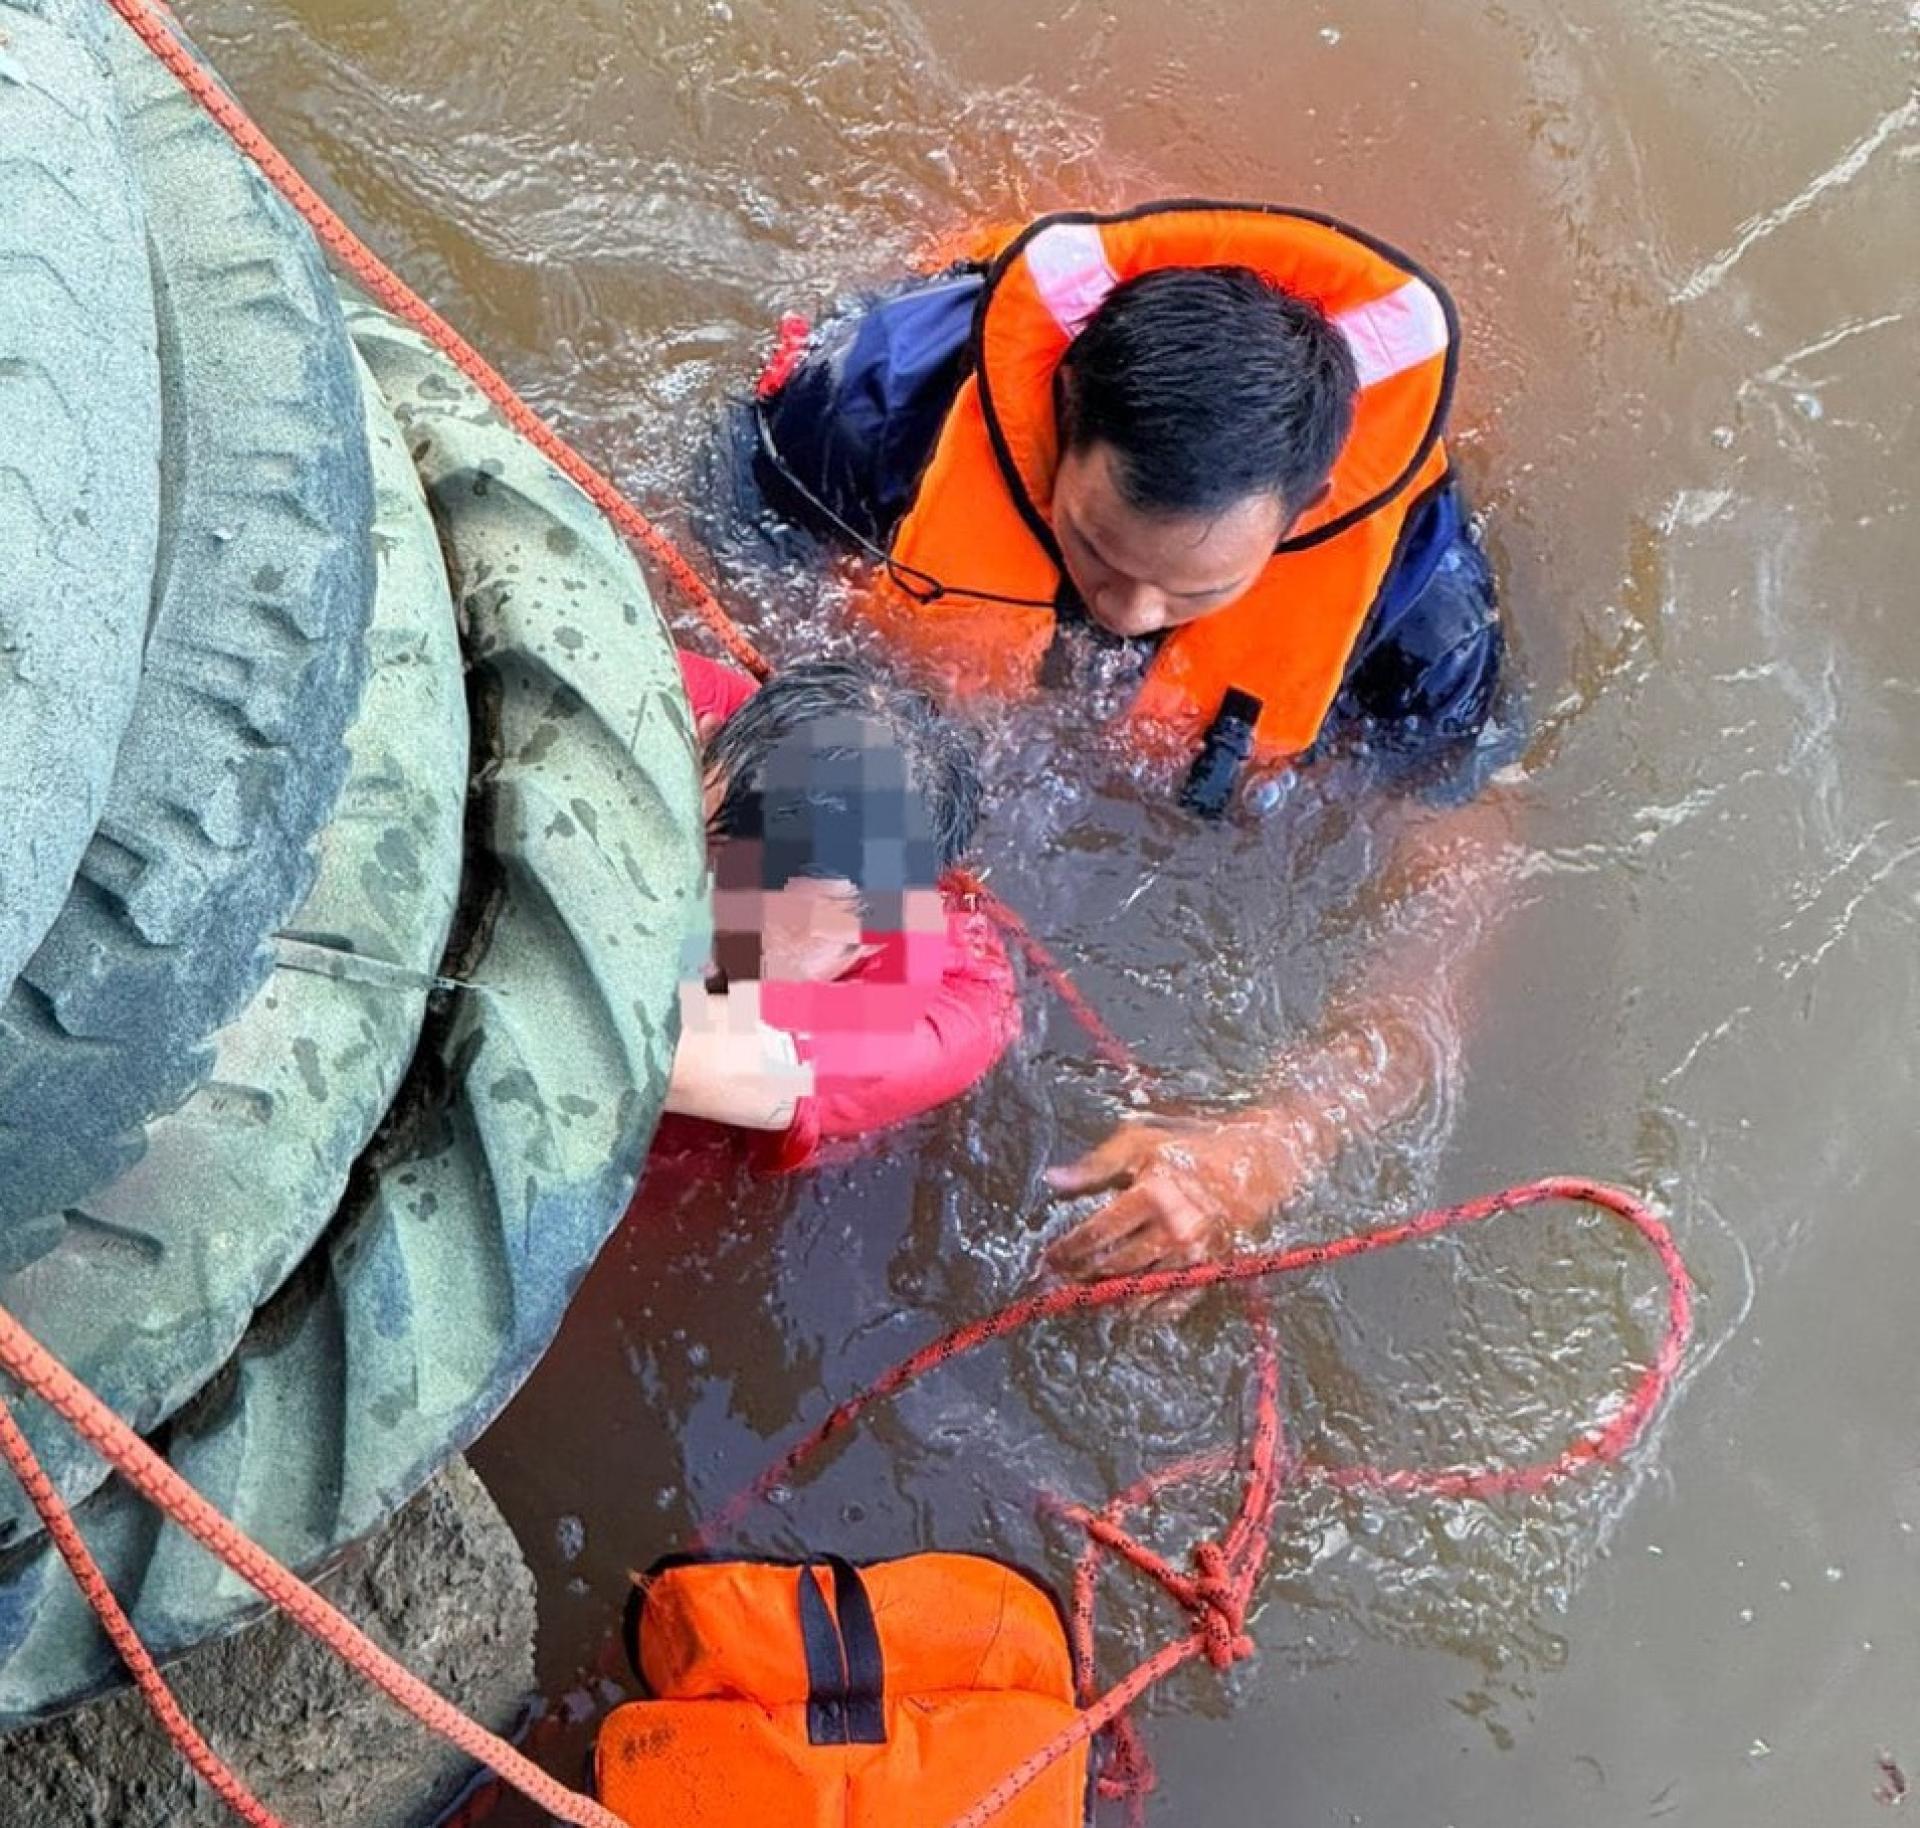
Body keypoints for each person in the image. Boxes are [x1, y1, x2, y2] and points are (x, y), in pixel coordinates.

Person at [742, 200, 1517, 1273]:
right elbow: (726, 603)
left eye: (1195, 587)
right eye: (1097, 550)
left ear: (1304, 514)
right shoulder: (880, 400)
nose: (1132, 613)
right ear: (1060, 417)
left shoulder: (1417, 606)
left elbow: (1472, 872)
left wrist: (1281, 1139)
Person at [649, 651, 1019, 1175]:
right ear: (704, 742)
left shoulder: (936, 1013)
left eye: (730, 933)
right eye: (695, 862)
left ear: (870, 937)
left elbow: (654, 1054)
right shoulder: (676, 706)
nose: (676, 923)